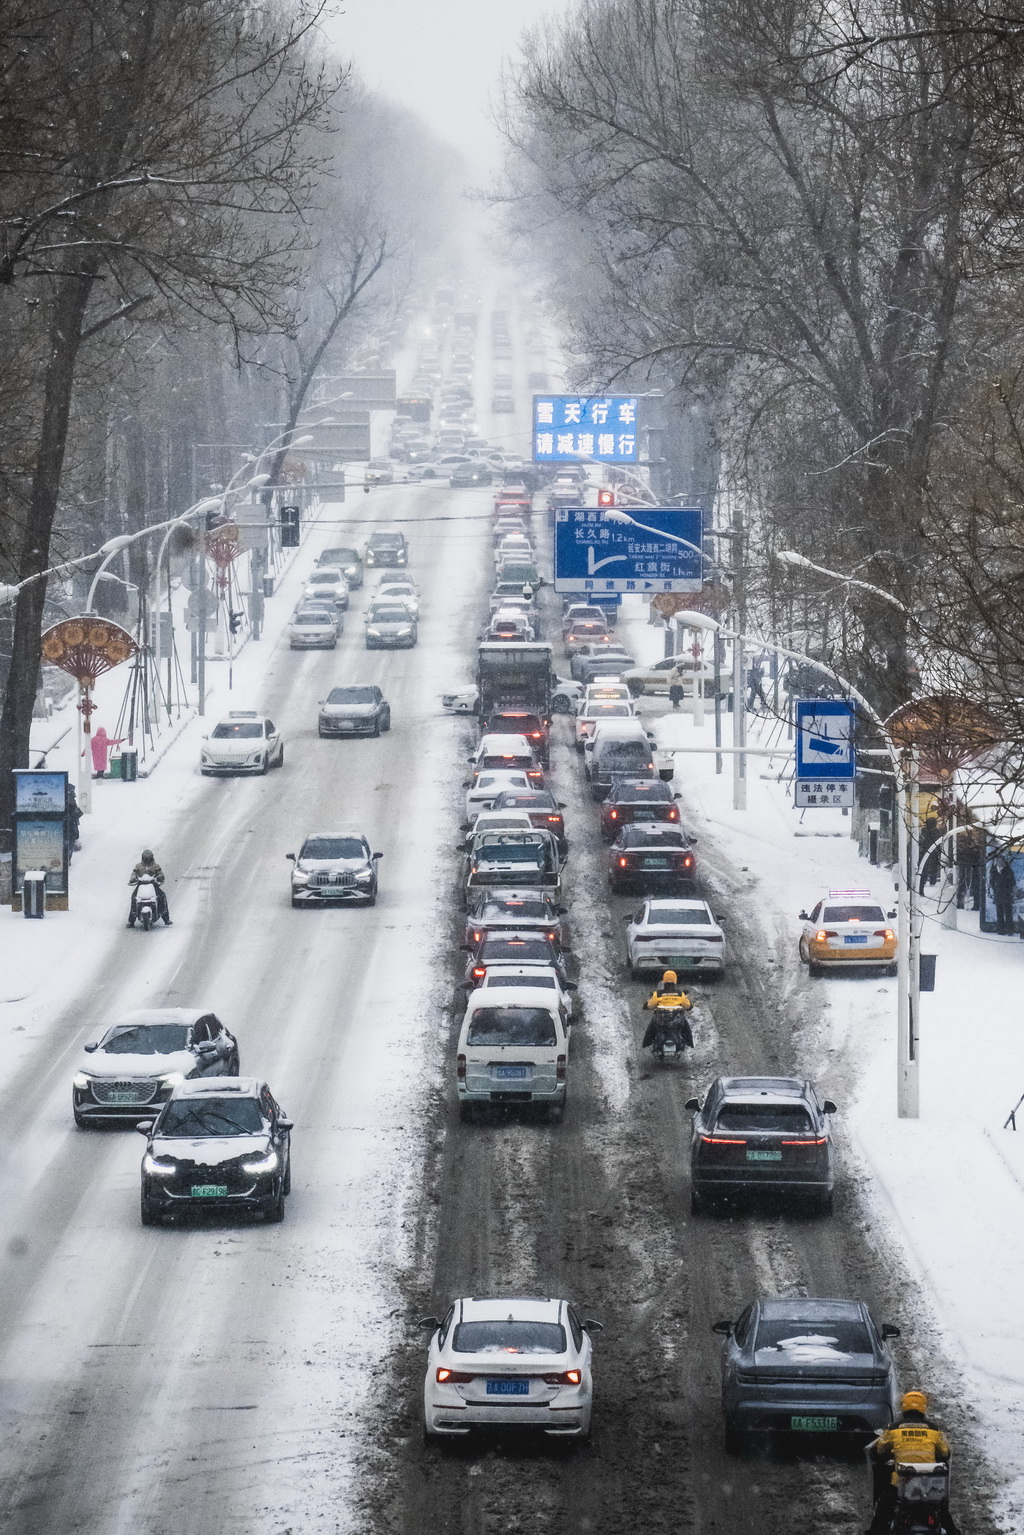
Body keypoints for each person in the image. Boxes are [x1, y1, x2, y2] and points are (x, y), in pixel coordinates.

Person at [867, 1390, 959, 1535]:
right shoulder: (933, 1430)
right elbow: (945, 1453)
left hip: (901, 1485)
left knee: (884, 1510)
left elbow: (879, 1450)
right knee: (943, 1512)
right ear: (924, 1407)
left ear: (903, 1406)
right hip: (929, 1486)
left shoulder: (894, 1429)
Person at [642, 971, 694, 1050]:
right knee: (686, 1029)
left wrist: (645, 1006)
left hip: (660, 1020)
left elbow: (650, 1005)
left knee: (651, 1029)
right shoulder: (680, 994)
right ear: (675, 981)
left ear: (664, 981)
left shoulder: (658, 994)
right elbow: (688, 1006)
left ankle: (647, 1043)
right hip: (677, 1021)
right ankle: (689, 1042)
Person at [128, 849, 171, 926]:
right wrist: (133, 878)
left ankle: (166, 918)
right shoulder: (138, 866)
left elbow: (160, 873)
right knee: (134, 897)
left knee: (162, 896)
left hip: (153, 885)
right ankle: (131, 920)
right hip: (141, 885)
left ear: (152, 858)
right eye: (145, 859)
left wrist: (160, 877)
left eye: (149, 859)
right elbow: (134, 873)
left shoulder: (156, 866)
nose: (147, 860)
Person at [989, 852, 1017, 935]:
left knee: (1008, 912)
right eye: (998, 861)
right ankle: (1000, 929)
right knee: (999, 912)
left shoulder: (1008, 870)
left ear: (1004, 862)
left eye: (1001, 861)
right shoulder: (994, 871)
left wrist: (1009, 890)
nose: (1000, 863)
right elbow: (991, 882)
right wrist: (995, 888)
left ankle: (1010, 929)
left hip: (1007, 894)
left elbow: (1012, 882)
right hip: (998, 894)